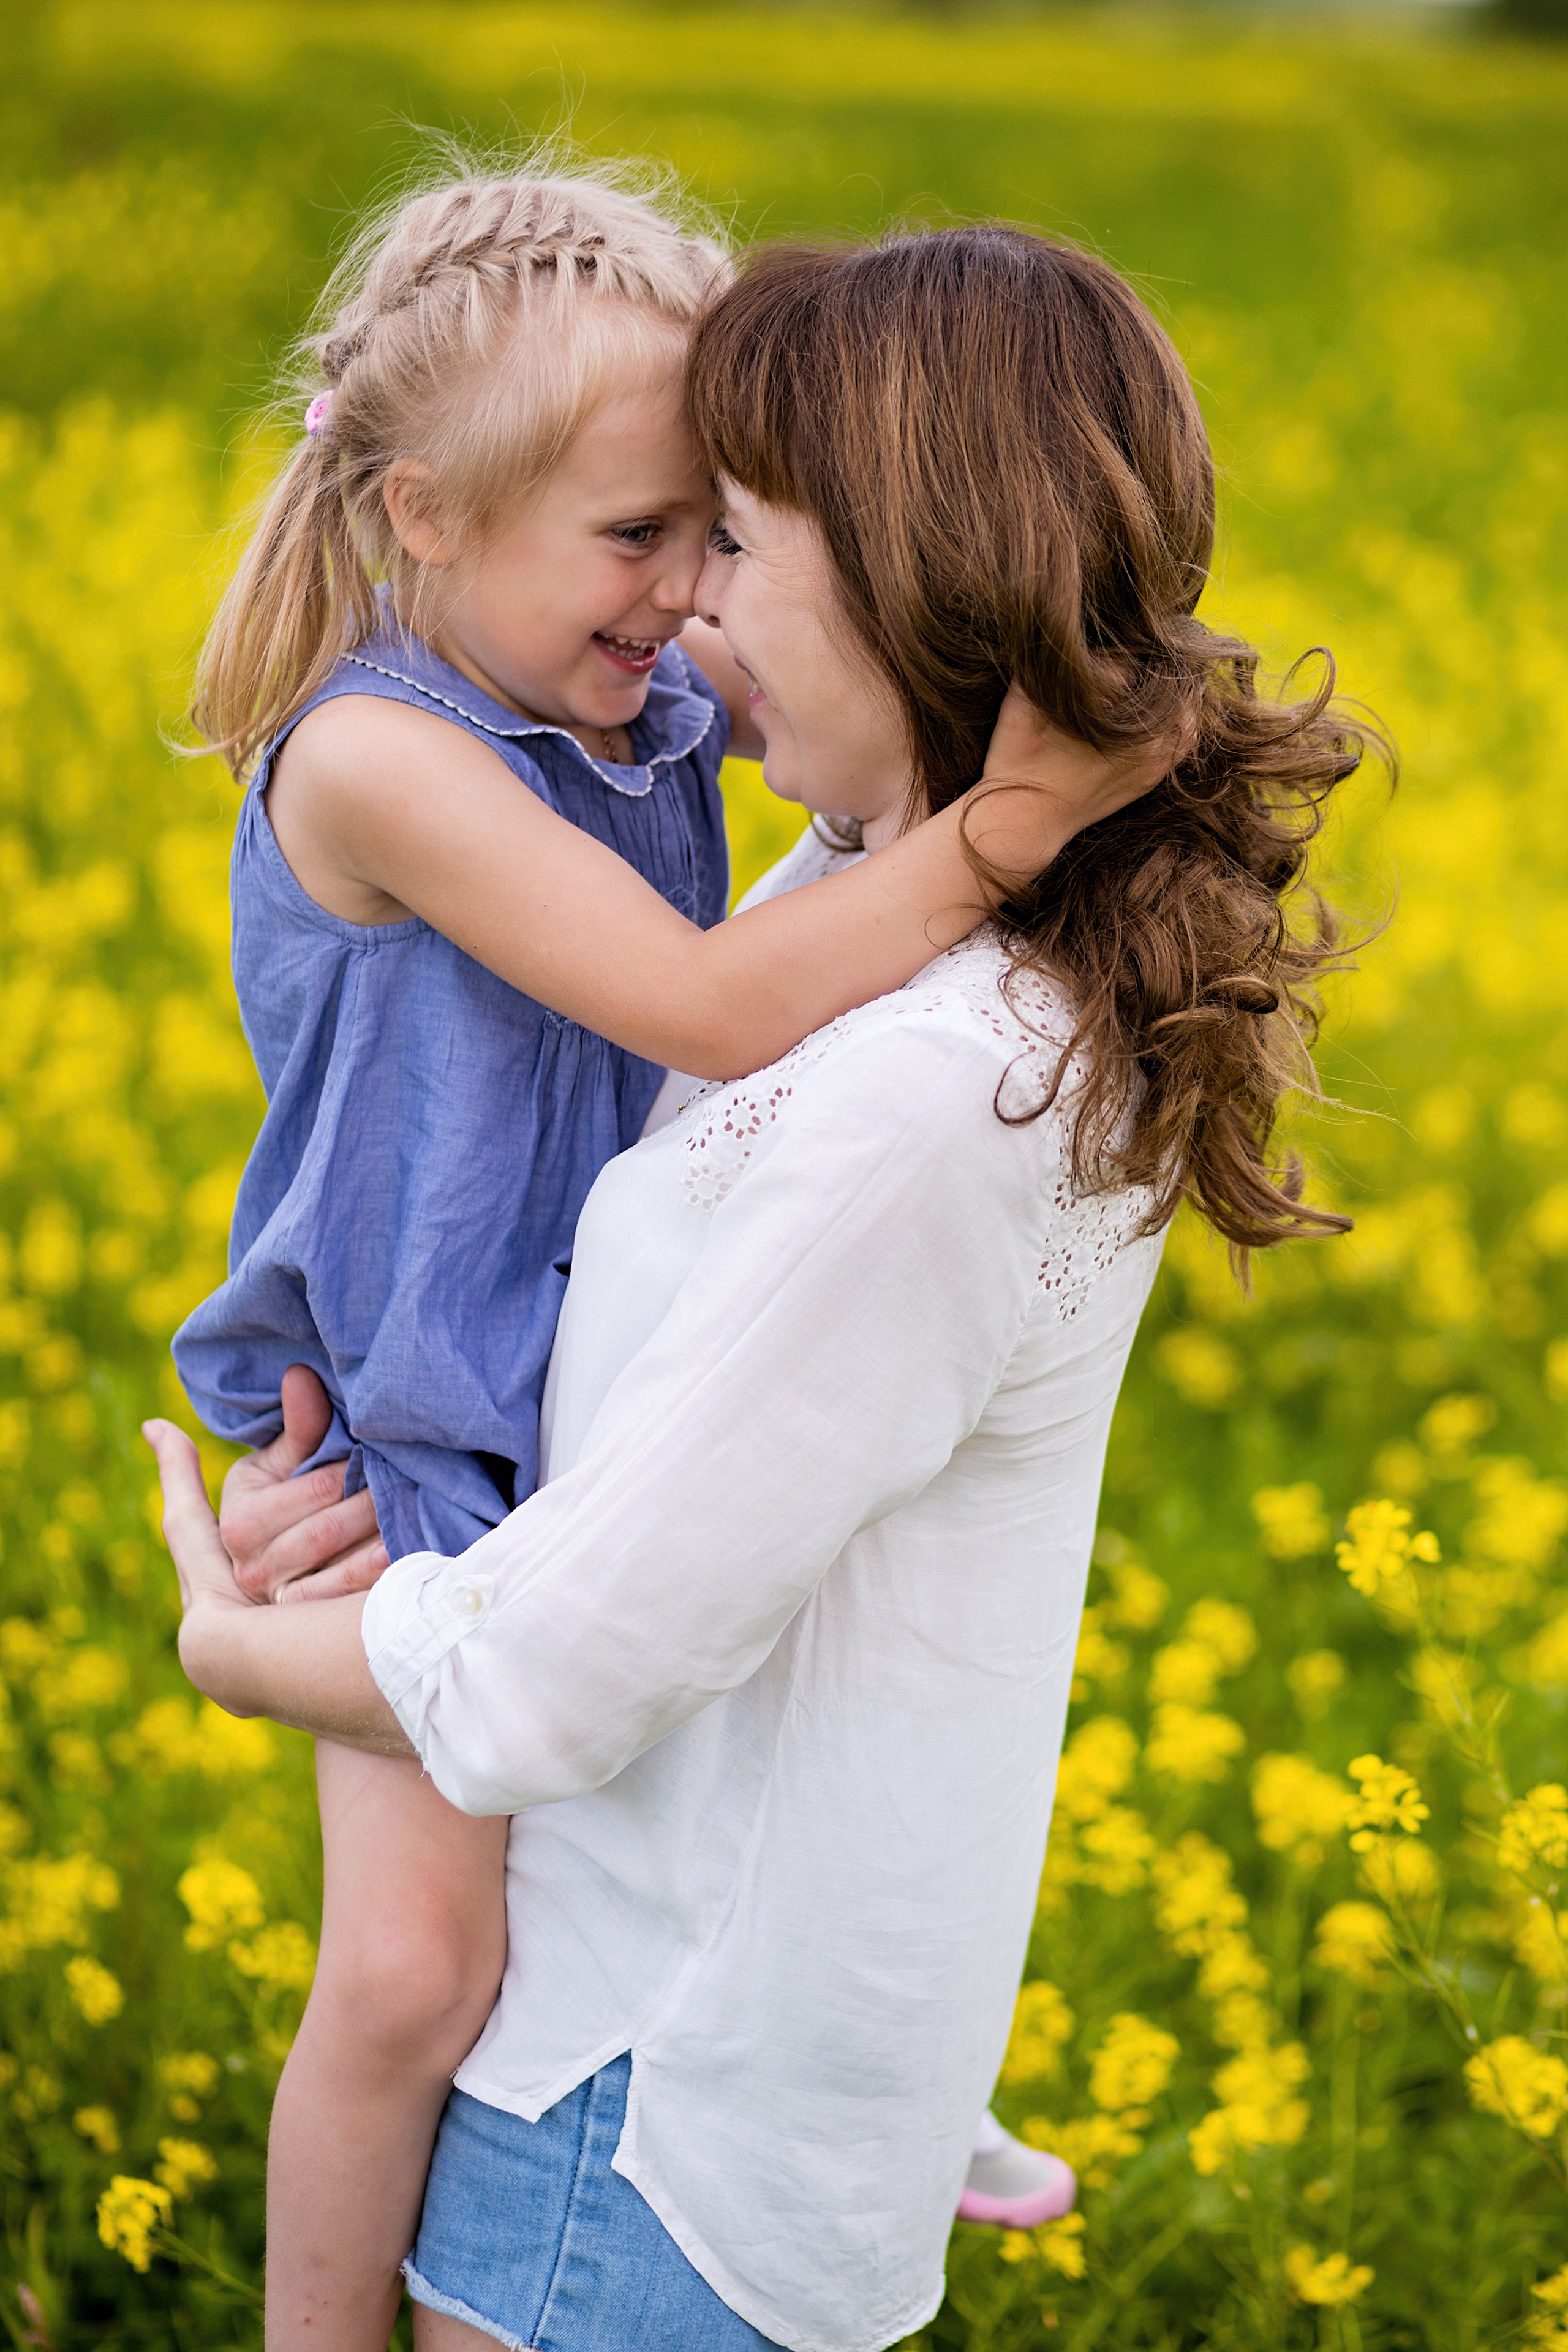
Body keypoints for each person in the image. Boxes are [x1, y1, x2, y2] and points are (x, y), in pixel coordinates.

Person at [149, 222, 1370, 2351]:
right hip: (439, 1424)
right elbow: (721, 1057)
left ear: (900, 567)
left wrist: (237, 1646)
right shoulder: (804, 864)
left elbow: (548, 1670)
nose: (689, 599)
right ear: (427, 517)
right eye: (653, 532)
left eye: (731, 537)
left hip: (637, 2128)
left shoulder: (931, 1073)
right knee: (399, 1977)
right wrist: (998, 807)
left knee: (415, 1972)